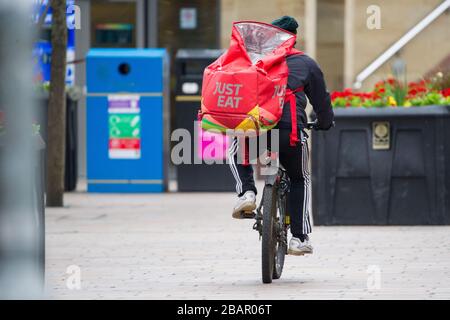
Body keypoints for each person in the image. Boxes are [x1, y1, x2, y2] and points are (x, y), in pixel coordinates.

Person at [228, 16, 334, 256]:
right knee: (300, 178)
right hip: (290, 132)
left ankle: (247, 192)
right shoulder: (306, 63)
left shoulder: (253, 60)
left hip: (254, 128)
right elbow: (321, 101)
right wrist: (325, 123)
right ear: (294, 38)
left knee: (236, 147)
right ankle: (298, 237)